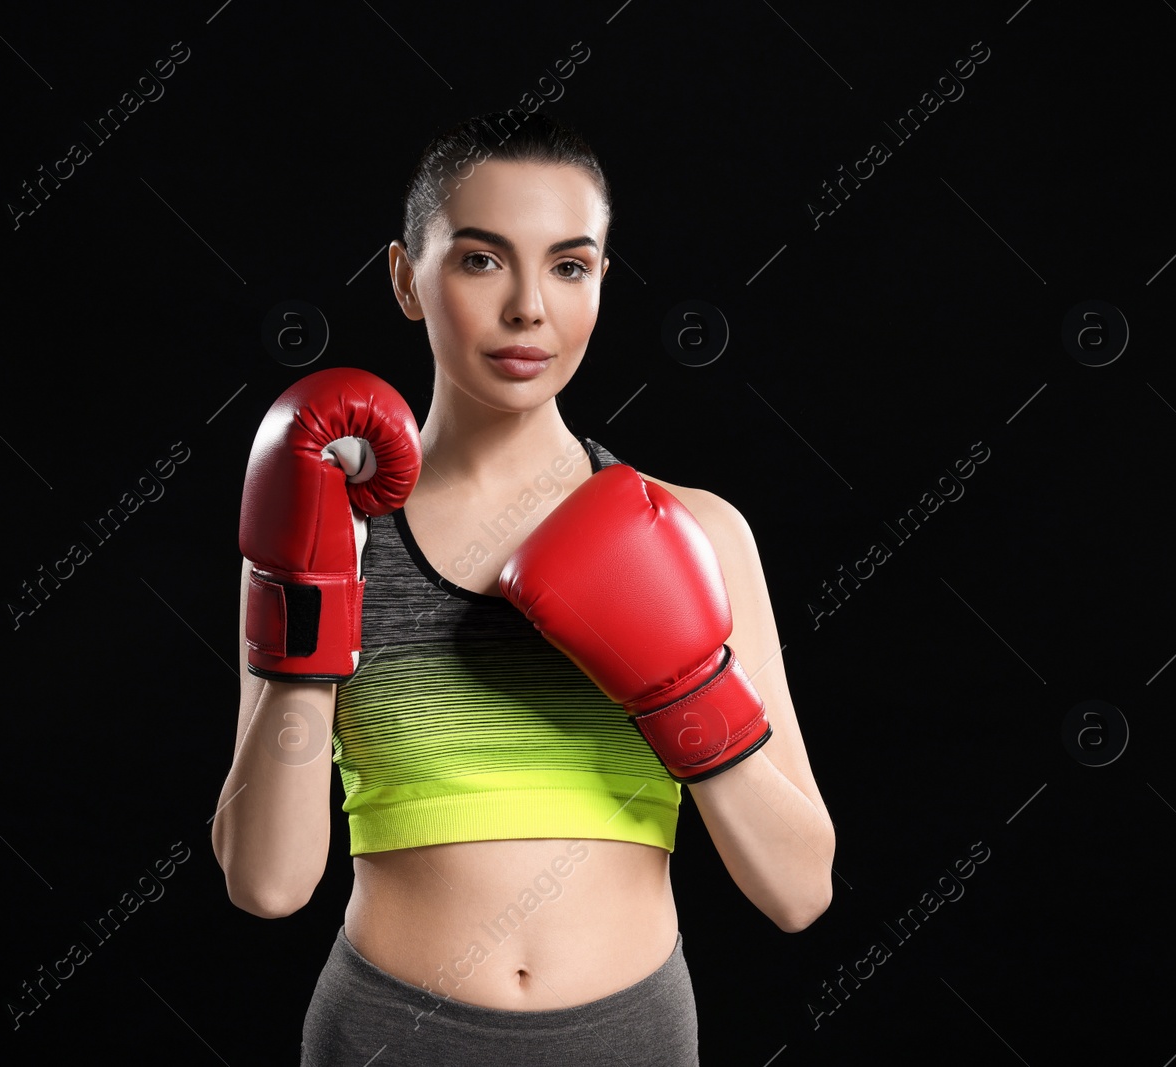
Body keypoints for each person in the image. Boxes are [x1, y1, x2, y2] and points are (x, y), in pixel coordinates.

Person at [213, 111, 835, 1066]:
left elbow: (800, 891)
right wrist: (310, 589)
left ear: (601, 284)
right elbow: (267, 882)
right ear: (404, 278)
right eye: (481, 261)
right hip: (385, 1034)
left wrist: (686, 690)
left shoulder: (699, 531)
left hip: (629, 1035)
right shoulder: (325, 528)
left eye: (569, 265)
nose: (529, 309)